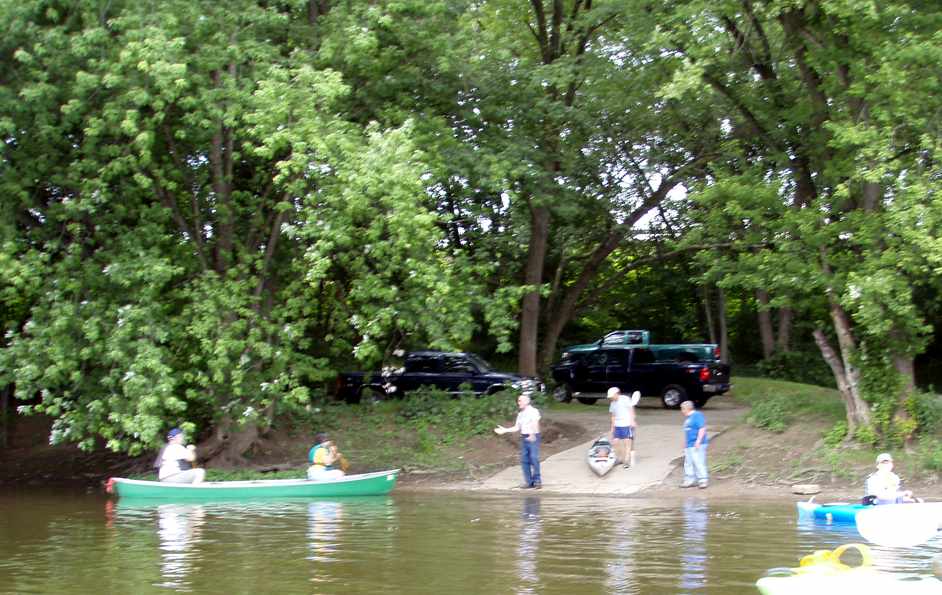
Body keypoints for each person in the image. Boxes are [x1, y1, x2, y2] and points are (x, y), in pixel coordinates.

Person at [494, 394, 542, 489]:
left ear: (527, 401)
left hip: (533, 436)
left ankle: (537, 481)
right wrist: (505, 430)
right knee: (524, 460)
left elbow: (535, 423)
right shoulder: (520, 414)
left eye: (520, 400)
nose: (518, 402)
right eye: (518, 400)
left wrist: (532, 435)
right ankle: (529, 482)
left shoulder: (533, 411)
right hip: (524, 437)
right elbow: (517, 427)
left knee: (534, 458)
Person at [607, 387, 637, 469]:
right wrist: (612, 428)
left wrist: (632, 421)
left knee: (627, 442)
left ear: (617, 394)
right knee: (615, 442)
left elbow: (631, 410)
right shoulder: (612, 403)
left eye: (612, 396)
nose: (611, 398)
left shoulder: (625, 399)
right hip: (617, 425)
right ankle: (619, 459)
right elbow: (613, 416)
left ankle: (626, 461)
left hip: (626, 424)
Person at [680, 401, 708, 489]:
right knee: (688, 462)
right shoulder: (688, 418)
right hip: (689, 444)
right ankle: (689, 479)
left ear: (687, 408)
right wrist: (685, 443)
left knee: (698, 461)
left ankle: (703, 480)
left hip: (697, 443)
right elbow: (688, 431)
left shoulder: (697, 415)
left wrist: (698, 441)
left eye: (682, 409)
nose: (681, 411)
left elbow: (702, 428)